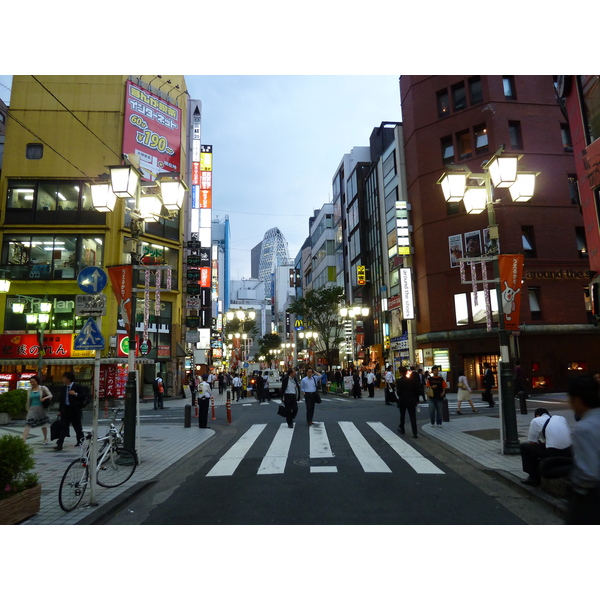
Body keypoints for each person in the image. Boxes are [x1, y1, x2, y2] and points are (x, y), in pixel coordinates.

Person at [563, 375, 600, 524]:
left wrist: (571, 475)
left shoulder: (584, 429)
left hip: (591, 500)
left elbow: (588, 474)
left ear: (577, 400)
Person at [519, 408, 572, 487]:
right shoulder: (560, 418)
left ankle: (533, 478)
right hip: (570, 451)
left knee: (524, 447)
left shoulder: (536, 420)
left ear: (537, 416)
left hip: (553, 452)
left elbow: (532, 442)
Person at [55, 371, 86, 451]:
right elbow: (62, 400)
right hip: (65, 410)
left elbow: (83, 396)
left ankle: (80, 441)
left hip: (75, 410)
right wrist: (60, 410)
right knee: (63, 427)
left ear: (69, 379)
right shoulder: (64, 388)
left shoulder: (77, 386)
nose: (63, 379)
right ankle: (60, 444)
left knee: (77, 427)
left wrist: (75, 394)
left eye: (64, 378)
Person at [22, 375, 52, 444]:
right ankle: (23, 441)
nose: (32, 383)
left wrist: (44, 398)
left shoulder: (42, 388)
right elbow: (29, 400)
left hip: (41, 408)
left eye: (33, 381)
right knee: (28, 424)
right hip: (32, 408)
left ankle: (45, 438)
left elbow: (50, 395)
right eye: (31, 382)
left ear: (37, 381)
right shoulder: (29, 390)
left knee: (43, 424)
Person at [396, 366, 419, 438]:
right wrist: (417, 399)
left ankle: (402, 428)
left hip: (403, 400)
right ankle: (415, 432)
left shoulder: (399, 381)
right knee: (412, 416)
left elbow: (398, 392)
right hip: (411, 399)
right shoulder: (412, 380)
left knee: (402, 415)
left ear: (400, 372)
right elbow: (416, 391)